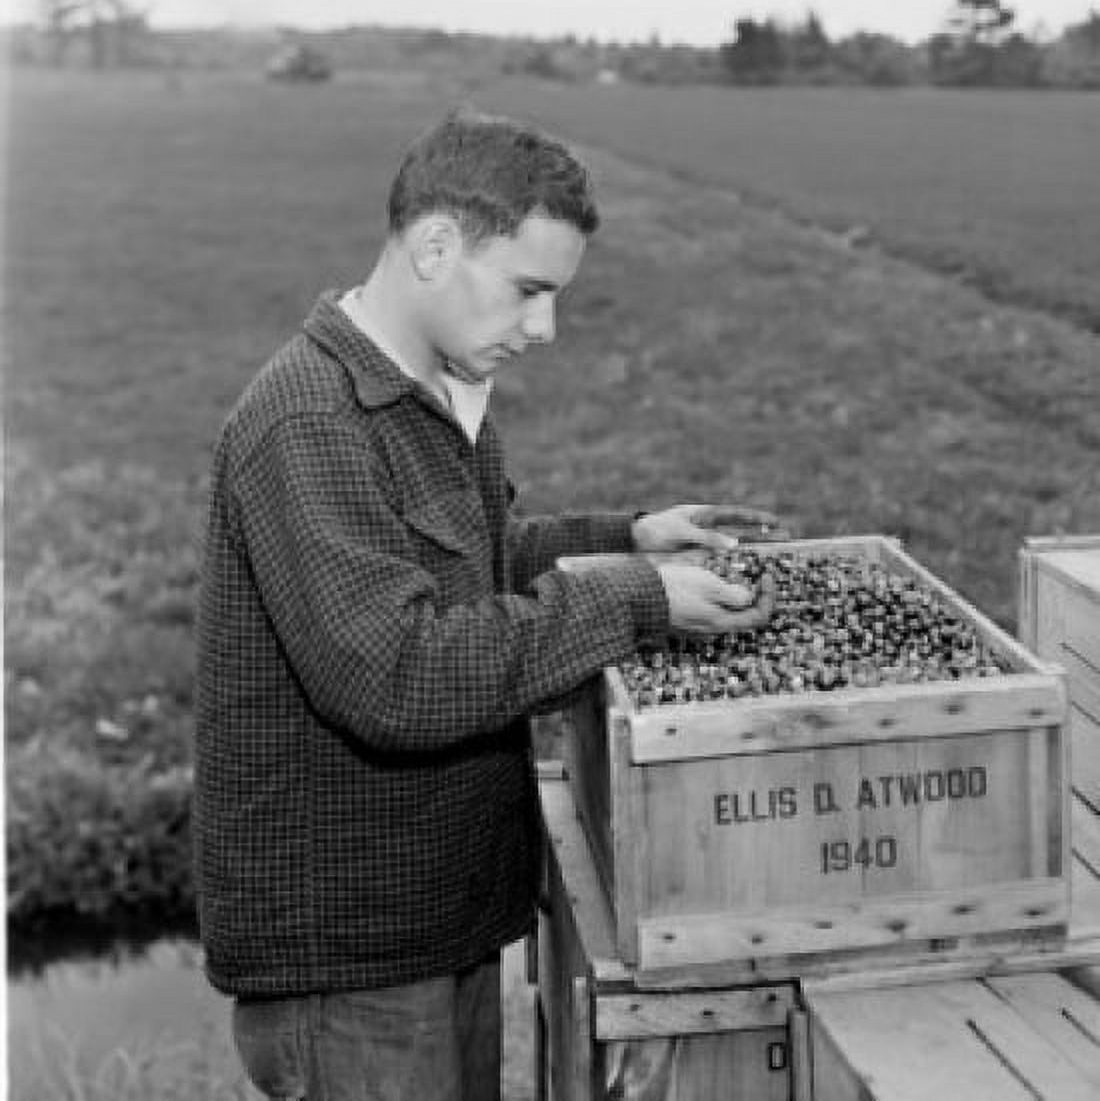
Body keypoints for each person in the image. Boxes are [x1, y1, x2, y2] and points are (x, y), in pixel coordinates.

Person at [194, 108, 779, 1101]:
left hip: (437, 925)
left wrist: (623, 539)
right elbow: (398, 675)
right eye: (527, 291)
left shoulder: (436, 392)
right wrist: (636, 602)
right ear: (433, 246)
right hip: (352, 962)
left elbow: (475, 564)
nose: (541, 328)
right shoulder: (307, 421)